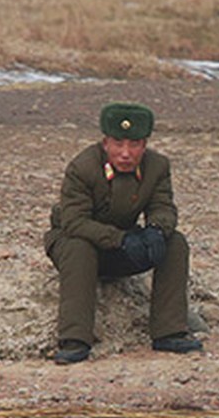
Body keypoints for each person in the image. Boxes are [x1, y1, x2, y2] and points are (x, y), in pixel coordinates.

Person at [44, 102, 202, 364]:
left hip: (123, 246)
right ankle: (74, 339)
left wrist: (155, 230)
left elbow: (163, 207)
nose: (126, 153)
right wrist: (120, 239)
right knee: (78, 248)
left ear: (145, 144)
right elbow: (73, 222)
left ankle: (169, 331)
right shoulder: (82, 168)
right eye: (118, 144)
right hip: (78, 243)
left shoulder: (157, 167)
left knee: (175, 243)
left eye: (134, 144)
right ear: (105, 143)